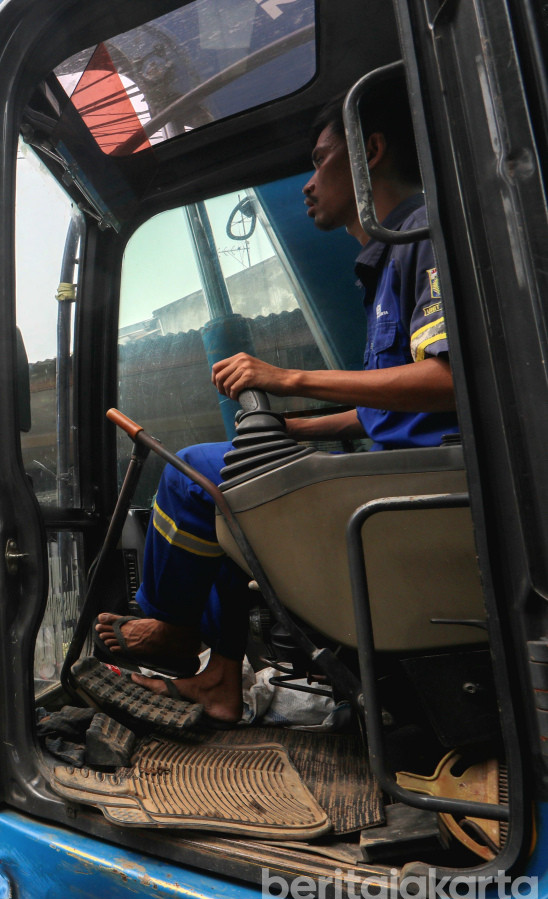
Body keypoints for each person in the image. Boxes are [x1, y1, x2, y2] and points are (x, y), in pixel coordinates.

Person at [94, 79, 459, 722]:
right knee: (243, 484)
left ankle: (175, 630)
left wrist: (287, 378)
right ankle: (221, 683)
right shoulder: (388, 258)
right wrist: (293, 428)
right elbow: (390, 407)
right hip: (399, 481)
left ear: (370, 150)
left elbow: (447, 383)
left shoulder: (423, 236)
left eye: (320, 160)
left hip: (420, 496)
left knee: (190, 477)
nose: (307, 183)